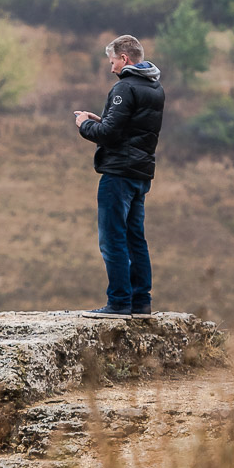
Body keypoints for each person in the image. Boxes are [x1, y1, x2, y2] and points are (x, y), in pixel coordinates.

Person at [72, 35, 165, 317]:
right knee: (136, 238)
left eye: (112, 61)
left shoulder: (124, 87)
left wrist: (84, 124)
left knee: (112, 238)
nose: (111, 67)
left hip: (118, 174)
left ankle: (119, 302)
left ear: (124, 59)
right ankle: (141, 302)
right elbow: (131, 129)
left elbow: (109, 135)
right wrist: (102, 119)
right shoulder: (155, 87)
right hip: (140, 173)